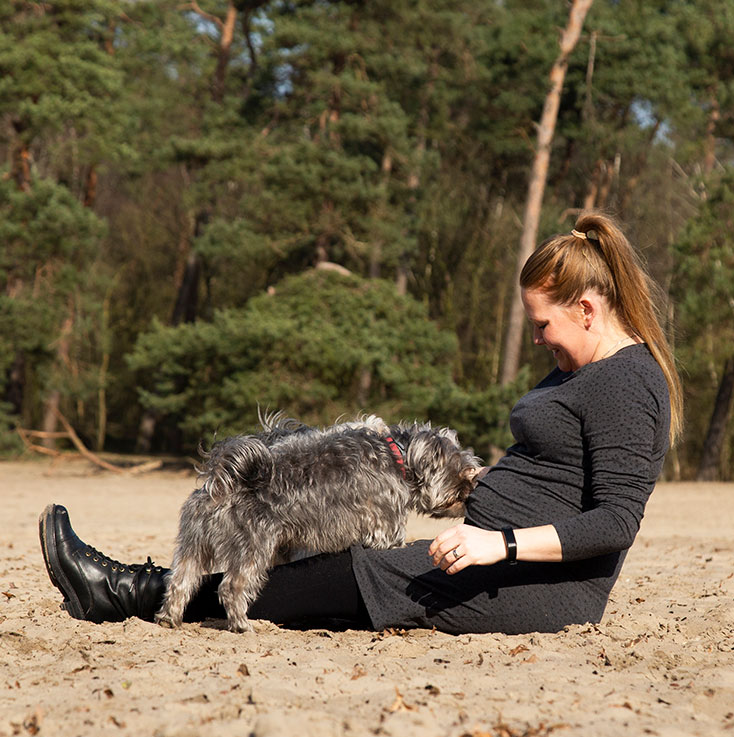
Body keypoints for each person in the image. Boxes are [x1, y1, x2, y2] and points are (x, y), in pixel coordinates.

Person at [40, 212, 683, 634]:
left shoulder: (631, 382)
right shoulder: (583, 372)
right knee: (312, 500)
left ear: (589, 308)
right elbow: (555, 471)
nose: (540, 339)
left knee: (353, 571)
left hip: (532, 588)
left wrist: (498, 544)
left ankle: (126, 591)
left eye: (544, 324)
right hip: (484, 553)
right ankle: (156, 582)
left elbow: (614, 521)